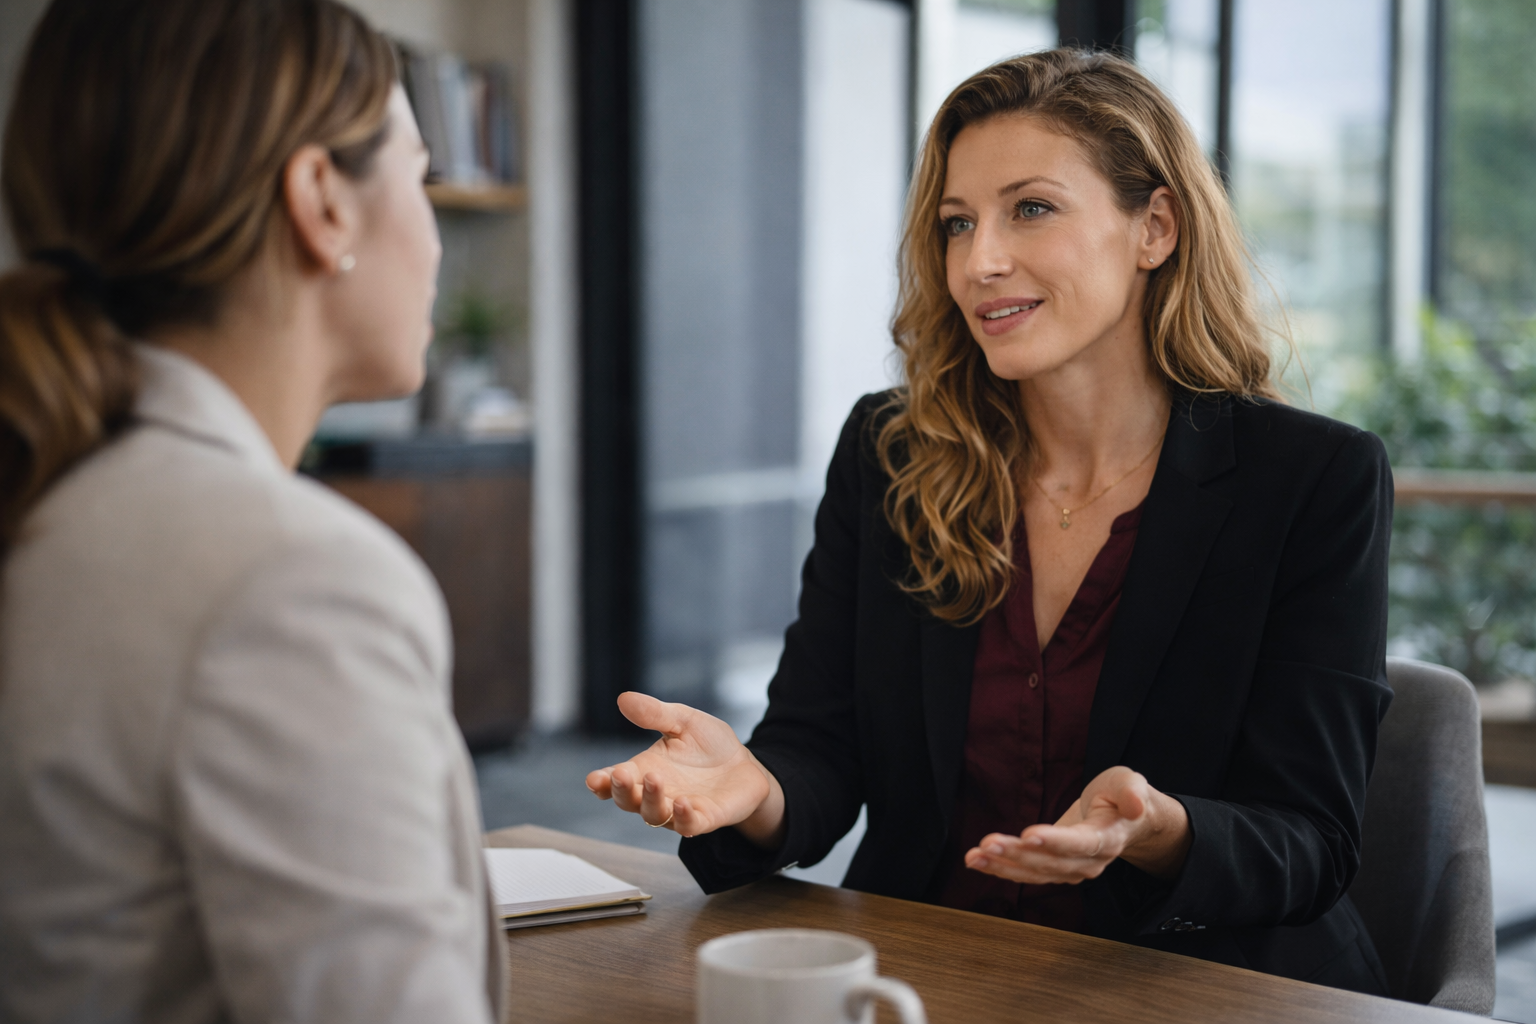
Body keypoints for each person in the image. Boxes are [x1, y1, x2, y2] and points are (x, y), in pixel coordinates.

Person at [587, 48, 1394, 994]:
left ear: (1156, 227)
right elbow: (820, 744)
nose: (981, 261)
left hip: (1195, 986)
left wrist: (1160, 829)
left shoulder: (1312, 478)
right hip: (928, 973)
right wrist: (754, 791)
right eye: (956, 223)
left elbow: (1312, 839)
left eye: (1032, 209)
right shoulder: (892, 451)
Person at [0, 1, 506, 1021]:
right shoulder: (290, 582)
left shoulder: (54, 489)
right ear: (323, 202)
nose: (435, 233)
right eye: (416, 172)